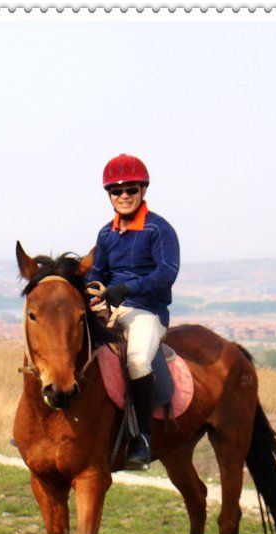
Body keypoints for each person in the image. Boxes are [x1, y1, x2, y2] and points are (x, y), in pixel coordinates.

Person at [87, 153, 180, 470]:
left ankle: (142, 437)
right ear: (110, 196)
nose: (124, 196)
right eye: (117, 191)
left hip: (147, 312)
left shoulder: (159, 230)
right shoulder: (106, 234)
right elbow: (96, 273)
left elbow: (166, 274)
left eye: (131, 189)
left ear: (143, 191)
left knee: (138, 360)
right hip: (110, 309)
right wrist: (92, 292)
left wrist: (127, 289)